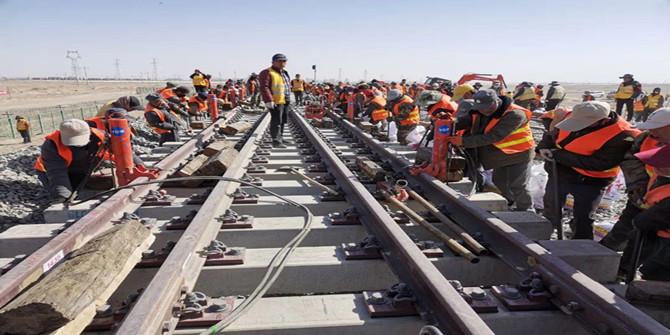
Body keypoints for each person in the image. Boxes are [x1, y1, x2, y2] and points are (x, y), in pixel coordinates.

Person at [537, 101, 639, 239]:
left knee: (584, 216)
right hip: (561, 170)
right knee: (551, 207)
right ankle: (545, 234)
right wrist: (544, 146)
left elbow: (600, 163)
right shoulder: (574, 115)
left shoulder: (624, 134)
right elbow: (553, 133)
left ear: (603, 120)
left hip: (592, 180)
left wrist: (558, 155)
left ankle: (581, 246)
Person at [447, 89, 535, 211]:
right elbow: (466, 120)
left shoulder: (515, 114)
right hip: (501, 155)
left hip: (518, 154)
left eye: (486, 107)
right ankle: (509, 203)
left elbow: (494, 136)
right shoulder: (480, 110)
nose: (483, 110)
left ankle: (527, 211)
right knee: (499, 181)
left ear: (496, 101)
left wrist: (464, 142)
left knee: (518, 185)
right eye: (480, 108)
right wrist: (448, 122)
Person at [600, 108, 670, 257]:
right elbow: (631, 161)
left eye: (657, 128)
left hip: (665, 202)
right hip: (645, 193)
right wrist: (638, 186)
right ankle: (607, 257)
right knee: (627, 227)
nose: (653, 132)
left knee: (653, 238)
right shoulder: (645, 139)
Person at [623, 143, 670, 281]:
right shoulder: (662, 176)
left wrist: (640, 220)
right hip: (659, 230)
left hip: (665, 235)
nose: (655, 168)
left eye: (661, 165)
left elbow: (662, 216)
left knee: (657, 270)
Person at [34, 119, 109, 203]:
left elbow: (116, 153)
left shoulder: (100, 137)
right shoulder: (51, 145)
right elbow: (56, 173)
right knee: (63, 194)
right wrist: (62, 196)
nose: (76, 145)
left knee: (79, 189)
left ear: (89, 133)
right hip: (48, 171)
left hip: (81, 167)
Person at [260, 53, 292, 148]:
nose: (282, 63)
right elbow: (264, 87)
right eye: (279, 61)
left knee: (282, 120)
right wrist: (269, 100)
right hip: (275, 100)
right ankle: (276, 141)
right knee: (276, 120)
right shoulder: (267, 72)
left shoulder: (284, 73)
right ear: (273, 62)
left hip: (285, 99)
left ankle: (280, 137)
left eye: (284, 61)